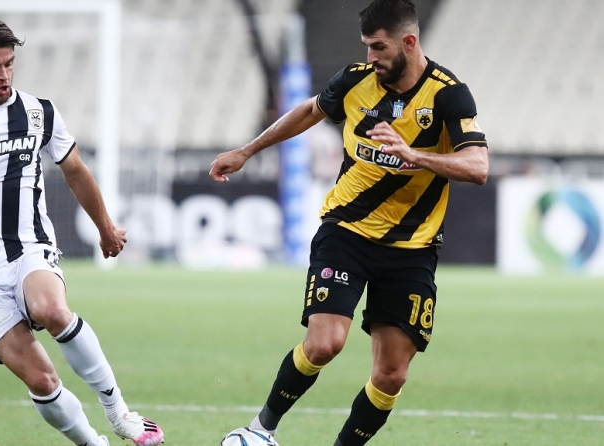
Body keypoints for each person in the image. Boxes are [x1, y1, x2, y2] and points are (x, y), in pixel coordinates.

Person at [209, 0, 489, 445]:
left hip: (412, 249)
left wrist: (413, 155)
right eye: (366, 46)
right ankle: (261, 430)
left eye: (378, 47)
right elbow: (309, 111)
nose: (370, 57)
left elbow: (477, 166)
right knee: (324, 344)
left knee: (392, 374)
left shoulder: (448, 94)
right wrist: (247, 151)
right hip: (347, 232)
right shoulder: (355, 81)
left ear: (409, 42)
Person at [0, 18, 165, 446]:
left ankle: (119, 412)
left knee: (52, 309)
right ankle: (92, 443)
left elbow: (76, 171)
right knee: (42, 379)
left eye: (10, 64)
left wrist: (105, 229)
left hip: (28, 247)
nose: (4, 75)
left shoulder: (38, 112)